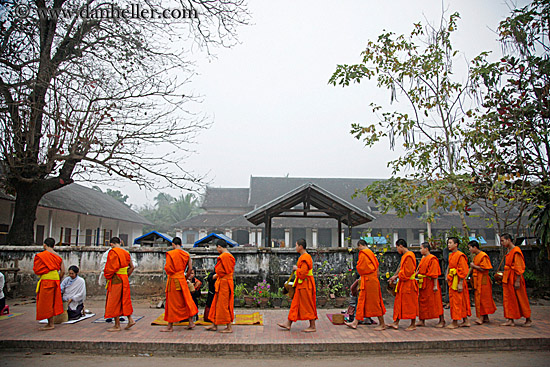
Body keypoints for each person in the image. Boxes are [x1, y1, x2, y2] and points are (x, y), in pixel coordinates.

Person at [345, 239, 386, 330]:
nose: (359, 249)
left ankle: (382, 323)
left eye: (358, 247)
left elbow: (361, 267)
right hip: (371, 279)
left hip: (369, 280)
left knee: (375, 302)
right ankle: (355, 322)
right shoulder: (371, 253)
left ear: (360, 245)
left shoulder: (364, 253)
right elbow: (377, 266)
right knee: (361, 301)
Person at [277, 238, 318, 332]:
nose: (295, 247)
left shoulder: (305, 258)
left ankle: (312, 326)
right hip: (302, 284)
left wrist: (296, 269)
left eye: (296, 245)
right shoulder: (303, 257)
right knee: (295, 304)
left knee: (307, 304)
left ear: (301, 246)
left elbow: (303, 274)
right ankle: (288, 323)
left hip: (305, 284)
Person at [162, 237, 198, 332]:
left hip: (174, 280)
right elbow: (190, 269)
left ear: (173, 244)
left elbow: (168, 268)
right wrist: (184, 277)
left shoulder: (171, 253)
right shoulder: (186, 254)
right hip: (182, 278)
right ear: (181, 244)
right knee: (185, 300)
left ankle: (170, 326)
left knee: (172, 302)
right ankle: (191, 322)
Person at [104, 237, 135, 332]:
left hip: (116, 278)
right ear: (120, 243)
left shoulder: (113, 252)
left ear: (111, 244)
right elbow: (132, 267)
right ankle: (130, 319)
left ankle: (117, 325)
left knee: (114, 301)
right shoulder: (126, 253)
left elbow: (111, 268)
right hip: (124, 278)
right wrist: (126, 276)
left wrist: (107, 276)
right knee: (124, 299)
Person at [500, 233, 532, 327]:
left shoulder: (516, 251)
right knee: (509, 299)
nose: (502, 243)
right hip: (508, 277)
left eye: (503, 240)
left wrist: (517, 280)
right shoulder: (509, 250)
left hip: (515, 277)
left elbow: (519, 266)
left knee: (520, 298)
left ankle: (528, 318)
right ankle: (510, 319)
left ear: (509, 240)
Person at [33, 237, 65, 330]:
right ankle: (51, 322)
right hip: (55, 280)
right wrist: (58, 278)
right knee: (53, 301)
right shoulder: (58, 256)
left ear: (44, 245)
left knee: (46, 302)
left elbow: (37, 270)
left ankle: (50, 324)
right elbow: (63, 271)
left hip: (46, 280)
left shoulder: (41, 255)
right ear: (54, 245)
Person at [205, 238, 236, 333]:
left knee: (224, 305)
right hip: (222, 282)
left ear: (219, 247)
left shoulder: (225, 256)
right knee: (216, 303)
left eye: (217, 248)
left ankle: (229, 327)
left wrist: (214, 276)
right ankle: (214, 324)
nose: (217, 250)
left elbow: (223, 271)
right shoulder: (226, 256)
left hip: (225, 283)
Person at [388, 239, 418, 331]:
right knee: (399, 303)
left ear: (401, 246)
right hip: (403, 283)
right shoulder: (405, 256)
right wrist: (395, 276)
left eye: (397, 247)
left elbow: (407, 272)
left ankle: (413, 324)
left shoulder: (409, 256)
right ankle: (396, 322)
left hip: (408, 283)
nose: (397, 250)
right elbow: (401, 268)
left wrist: (397, 276)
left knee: (410, 304)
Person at [416, 242, 445, 328]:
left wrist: (435, 285)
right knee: (422, 301)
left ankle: (442, 320)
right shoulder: (423, 258)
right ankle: (422, 320)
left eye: (421, 248)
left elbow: (434, 273)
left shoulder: (432, 259)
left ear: (426, 249)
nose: (420, 250)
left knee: (436, 301)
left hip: (431, 283)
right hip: (423, 283)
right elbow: (420, 269)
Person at [468, 240, 496, 325]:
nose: (469, 250)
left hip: (483, 280)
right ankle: (485, 317)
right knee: (479, 298)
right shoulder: (476, 256)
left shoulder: (483, 256)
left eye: (470, 248)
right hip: (477, 280)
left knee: (483, 298)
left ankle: (481, 317)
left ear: (475, 247)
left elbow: (484, 268)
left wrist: (474, 266)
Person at [446, 237, 471, 329]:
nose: (448, 245)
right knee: (459, 301)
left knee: (456, 301)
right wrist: (447, 275)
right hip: (452, 280)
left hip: (458, 281)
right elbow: (450, 266)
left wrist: (460, 282)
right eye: (448, 243)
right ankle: (465, 320)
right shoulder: (451, 255)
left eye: (450, 243)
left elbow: (464, 270)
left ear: (456, 244)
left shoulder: (460, 255)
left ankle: (455, 321)